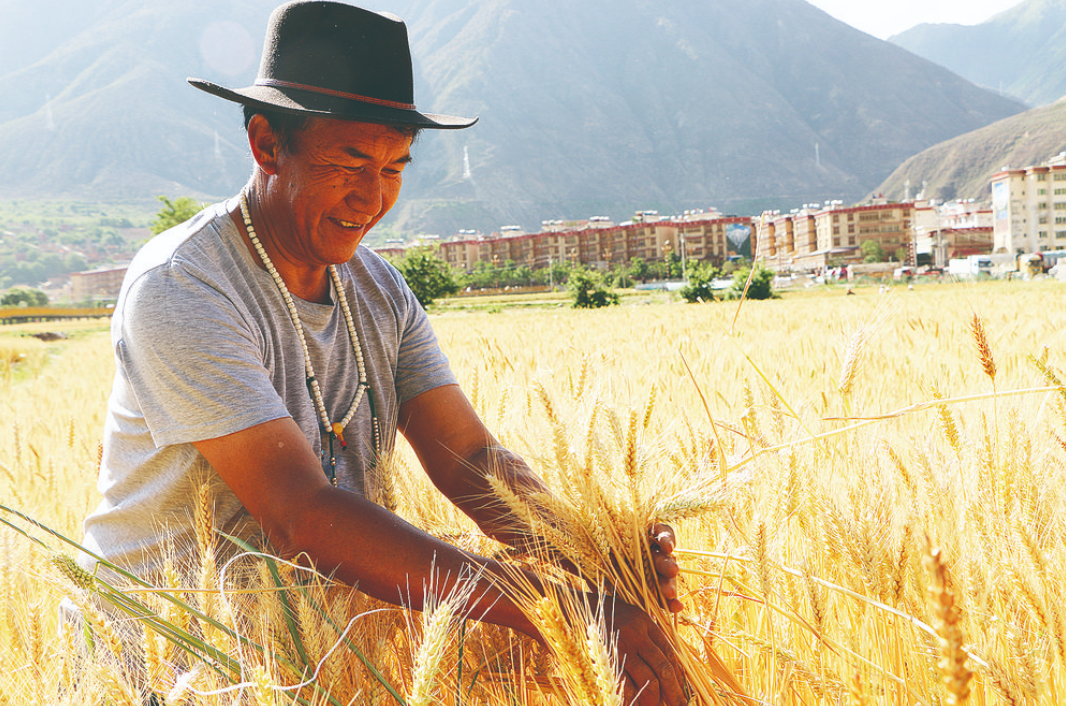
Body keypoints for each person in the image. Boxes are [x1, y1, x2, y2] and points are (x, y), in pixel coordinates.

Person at [79, 2, 685, 704]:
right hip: (165, 668)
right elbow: (301, 513)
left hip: (312, 666)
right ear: (267, 145)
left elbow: (471, 460)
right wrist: (554, 604)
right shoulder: (183, 287)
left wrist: (594, 548)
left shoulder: (379, 290)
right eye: (350, 163)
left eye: (395, 167)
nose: (372, 198)